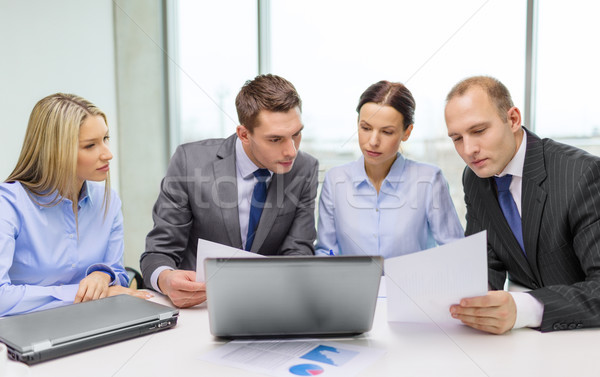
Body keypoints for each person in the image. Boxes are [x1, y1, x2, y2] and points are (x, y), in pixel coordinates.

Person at [141, 74, 319, 308]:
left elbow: (299, 250)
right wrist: (166, 279)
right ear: (244, 134)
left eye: (296, 134)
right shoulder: (189, 162)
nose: (291, 151)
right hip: (199, 307)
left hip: (269, 304)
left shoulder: (305, 168)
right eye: (275, 139)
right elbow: (158, 252)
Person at [445, 76, 600, 333]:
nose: (469, 149)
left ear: (513, 120)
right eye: (457, 138)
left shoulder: (581, 174)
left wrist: (525, 308)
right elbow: (485, 262)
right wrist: (467, 300)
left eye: (479, 131)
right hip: (522, 344)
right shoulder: (475, 178)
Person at [0, 93, 150, 317]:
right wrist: (85, 296)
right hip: (26, 329)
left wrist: (102, 275)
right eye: (90, 145)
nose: (108, 154)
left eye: (105, 139)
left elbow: (118, 273)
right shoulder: (8, 204)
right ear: (55, 152)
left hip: (92, 321)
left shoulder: (108, 201)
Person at [315, 80, 463, 258]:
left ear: (406, 132)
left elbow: (455, 249)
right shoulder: (335, 180)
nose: (373, 141)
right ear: (358, 123)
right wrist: (330, 262)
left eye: (387, 132)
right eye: (366, 128)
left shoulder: (429, 179)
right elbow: (327, 250)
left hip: (415, 285)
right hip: (351, 286)